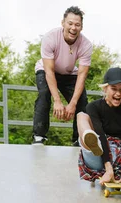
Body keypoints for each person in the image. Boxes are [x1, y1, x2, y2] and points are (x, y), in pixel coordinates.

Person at [32, 6, 93, 146]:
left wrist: (72, 104)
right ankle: (38, 136)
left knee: (82, 101)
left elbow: (82, 76)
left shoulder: (86, 45)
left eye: (77, 24)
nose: (73, 28)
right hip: (47, 70)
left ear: (81, 27)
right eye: (70, 23)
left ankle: (79, 139)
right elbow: (49, 71)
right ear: (63, 23)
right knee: (44, 94)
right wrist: (58, 101)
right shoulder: (50, 38)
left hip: (69, 73)